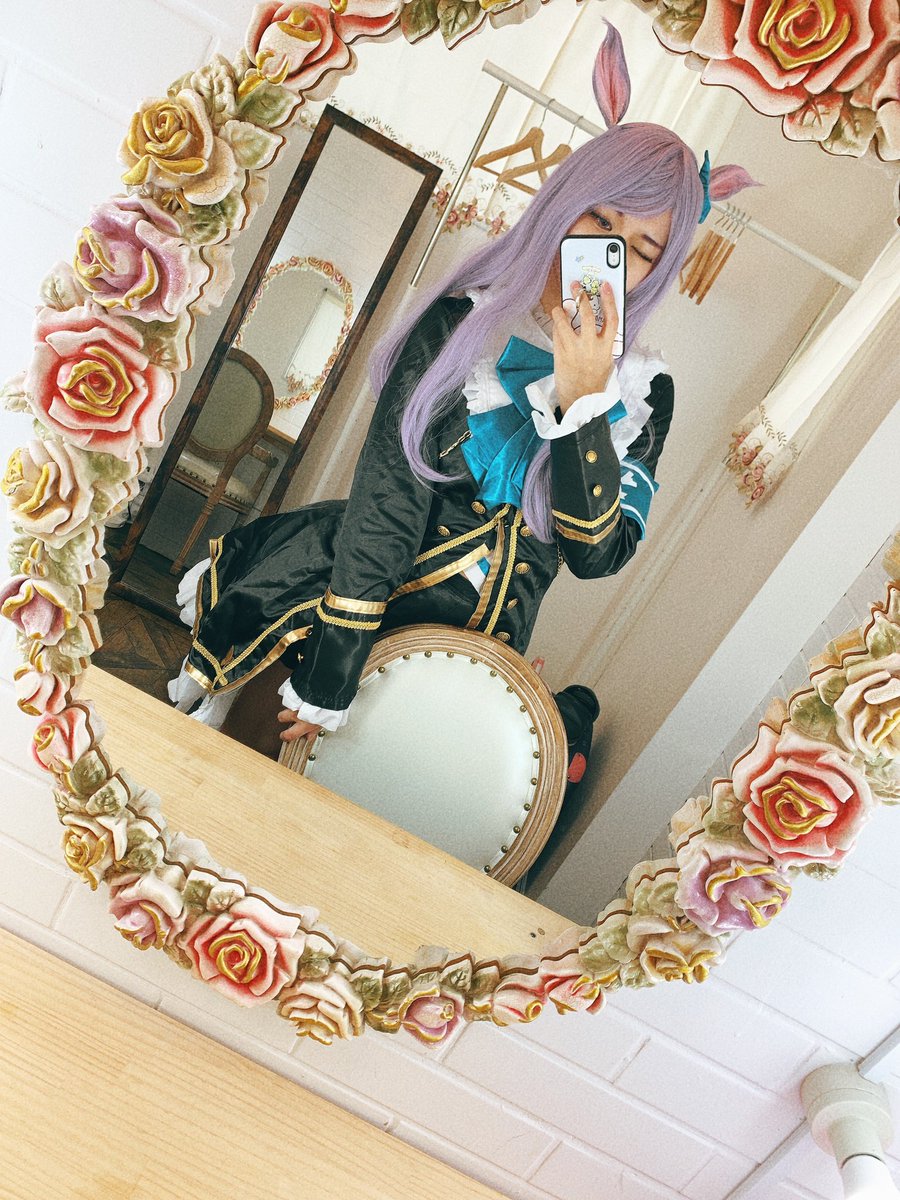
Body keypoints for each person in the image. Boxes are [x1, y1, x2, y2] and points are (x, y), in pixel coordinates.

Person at [168, 32, 751, 745]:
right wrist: (333, 669)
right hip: (332, 613)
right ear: (565, 202)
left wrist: (584, 401)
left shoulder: (643, 393)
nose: (610, 253)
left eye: (643, 248)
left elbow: (597, 555)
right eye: (601, 220)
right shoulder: (459, 325)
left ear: (658, 270)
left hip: (465, 675)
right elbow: (388, 501)